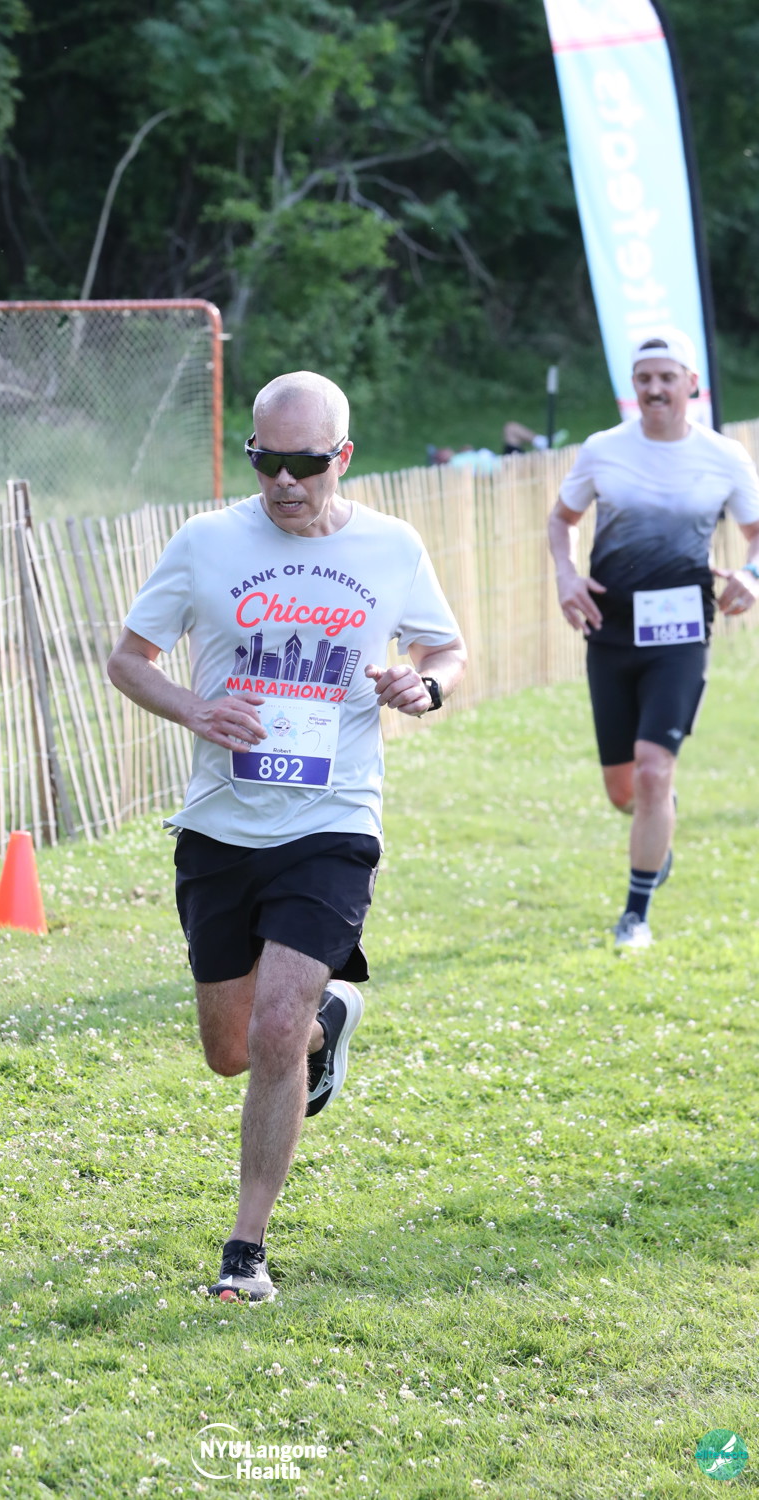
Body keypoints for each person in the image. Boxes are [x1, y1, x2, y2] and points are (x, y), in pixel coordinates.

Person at [107, 370, 467, 1299]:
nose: (283, 482)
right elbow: (128, 659)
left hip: (333, 821)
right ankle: (325, 1026)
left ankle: (246, 1254)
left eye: (304, 465)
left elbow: (444, 648)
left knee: (272, 1031)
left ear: (342, 457)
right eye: (266, 461)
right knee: (231, 1049)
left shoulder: (390, 546)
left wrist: (425, 685)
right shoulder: (207, 542)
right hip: (221, 827)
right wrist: (195, 709)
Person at [548, 328, 759, 950]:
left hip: (681, 629)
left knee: (651, 770)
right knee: (625, 790)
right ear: (633, 386)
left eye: (668, 377)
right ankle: (657, 820)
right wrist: (566, 575)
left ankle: (635, 915)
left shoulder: (725, 456)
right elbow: (562, 520)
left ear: (692, 384)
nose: (656, 389)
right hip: (611, 627)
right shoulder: (603, 449)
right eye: (645, 379)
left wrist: (751, 576)